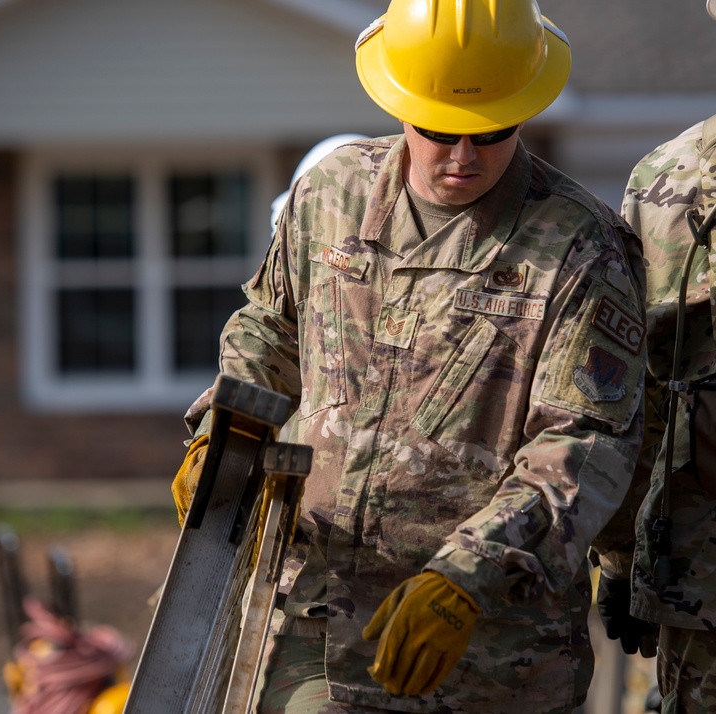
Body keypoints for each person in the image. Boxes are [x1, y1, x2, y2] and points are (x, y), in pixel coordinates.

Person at [172, 0, 648, 711]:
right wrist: (228, 430)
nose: (464, 156)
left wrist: (465, 577)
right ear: (401, 103)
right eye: (440, 130)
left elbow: (585, 445)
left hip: (491, 648)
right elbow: (272, 327)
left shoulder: (580, 246)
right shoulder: (331, 193)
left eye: (491, 132)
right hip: (318, 621)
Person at [598, 3, 716, 709]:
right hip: (697, 587)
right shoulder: (667, 182)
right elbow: (633, 391)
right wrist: (622, 557)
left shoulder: (668, 177)